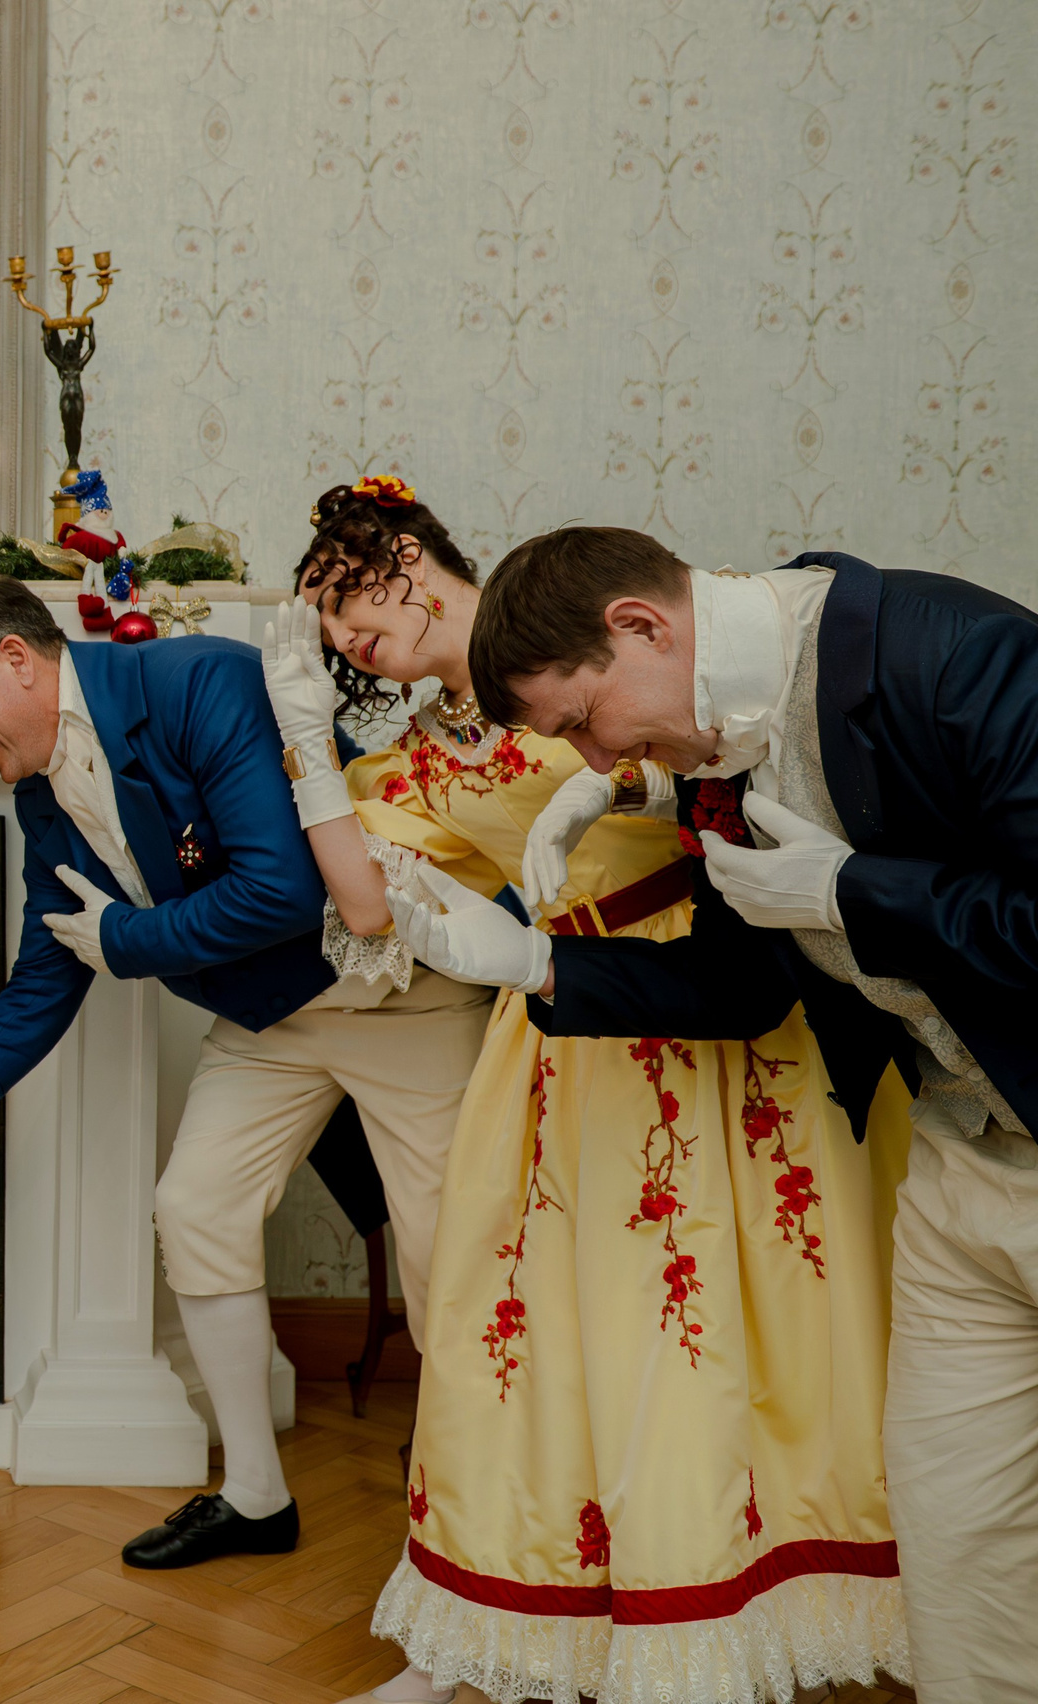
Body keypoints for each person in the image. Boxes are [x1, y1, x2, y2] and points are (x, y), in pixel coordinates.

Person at [262, 487, 911, 1704]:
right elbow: (362, 906)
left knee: (732, 1318)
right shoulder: (418, 761)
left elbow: (729, 738)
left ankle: (728, 1607)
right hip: (562, 1021)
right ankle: (499, 1635)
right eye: (318, 636)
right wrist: (306, 738)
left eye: (341, 603)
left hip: (718, 995)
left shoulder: (577, 626)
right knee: (518, 1329)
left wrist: (638, 793)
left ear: (406, 559)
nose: (339, 641)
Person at [388, 530, 1034, 1701]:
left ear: (641, 626)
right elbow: (741, 991)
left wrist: (852, 892)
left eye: (586, 721)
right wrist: (534, 961)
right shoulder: (707, 742)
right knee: (960, 1549)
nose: (595, 758)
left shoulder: (955, 655)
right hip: (961, 1163)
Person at [0, 574, 489, 1570]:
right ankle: (254, 1498)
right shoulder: (40, 792)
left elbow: (280, 889)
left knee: (449, 1263)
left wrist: (131, 938)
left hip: (397, 1000)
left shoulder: (198, 683)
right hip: (268, 1022)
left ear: (13, 658)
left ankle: (475, 1529)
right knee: (193, 1209)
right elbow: (50, 966)